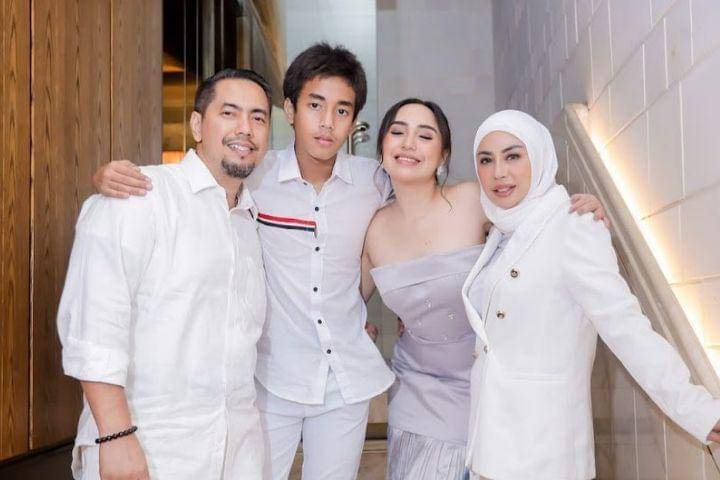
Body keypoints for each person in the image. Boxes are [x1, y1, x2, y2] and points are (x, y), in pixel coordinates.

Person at [92, 43, 394, 480]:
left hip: (346, 377)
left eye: (342, 110)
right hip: (268, 378)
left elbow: (418, 212)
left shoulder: (373, 182)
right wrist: (106, 176)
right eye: (315, 105)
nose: (328, 122)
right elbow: (189, 187)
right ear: (289, 110)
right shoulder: (253, 172)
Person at [462, 109, 720, 480]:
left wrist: (696, 409)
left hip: (543, 449)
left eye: (513, 156)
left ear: (540, 156)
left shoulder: (574, 224)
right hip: (491, 444)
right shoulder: (502, 231)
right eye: (486, 160)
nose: (499, 172)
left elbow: (626, 327)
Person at [361, 99, 606, 480]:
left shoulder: (474, 200)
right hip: (416, 392)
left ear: (443, 155)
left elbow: (535, 223)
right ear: (381, 147)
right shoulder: (372, 228)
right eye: (397, 132)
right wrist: (358, 333)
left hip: (488, 384)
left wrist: (579, 209)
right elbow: (341, 303)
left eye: (424, 136)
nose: (409, 143)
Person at [57, 68, 272, 480]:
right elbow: (94, 328)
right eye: (229, 113)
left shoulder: (249, 220)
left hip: (237, 452)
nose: (245, 128)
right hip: (150, 447)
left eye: (258, 117)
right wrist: (115, 436)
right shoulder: (139, 196)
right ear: (197, 125)